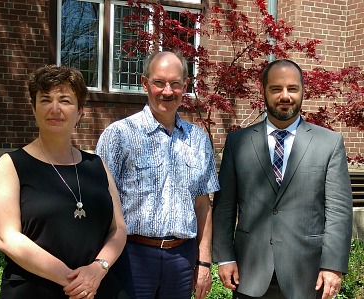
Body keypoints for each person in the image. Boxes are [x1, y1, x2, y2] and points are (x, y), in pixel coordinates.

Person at [212, 59, 353, 299]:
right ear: (264, 92)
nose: (285, 96)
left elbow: (338, 211)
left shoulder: (329, 143)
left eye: (292, 88)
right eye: (276, 89)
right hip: (250, 273)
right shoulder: (238, 143)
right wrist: (225, 257)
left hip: (308, 276)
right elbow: (224, 206)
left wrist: (332, 265)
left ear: (302, 91)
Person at [0, 65, 128, 299]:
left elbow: (118, 228)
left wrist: (97, 269)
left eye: (65, 100)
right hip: (33, 289)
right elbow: (7, 237)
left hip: (97, 287)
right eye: (45, 99)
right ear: (34, 109)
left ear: (80, 112)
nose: (55, 108)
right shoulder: (11, 165)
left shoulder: (97, 166)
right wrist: (72, 281)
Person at [95, 50, 220, 299]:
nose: (167, 91)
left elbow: (203, 206)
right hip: (130, 257)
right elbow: (101, 204)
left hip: (181, 260)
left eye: (175, 84)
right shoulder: (119, 135)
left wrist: (204, 262)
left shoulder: (198, 139)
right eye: (159, 82)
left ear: (185, 86)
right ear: (145, 84)